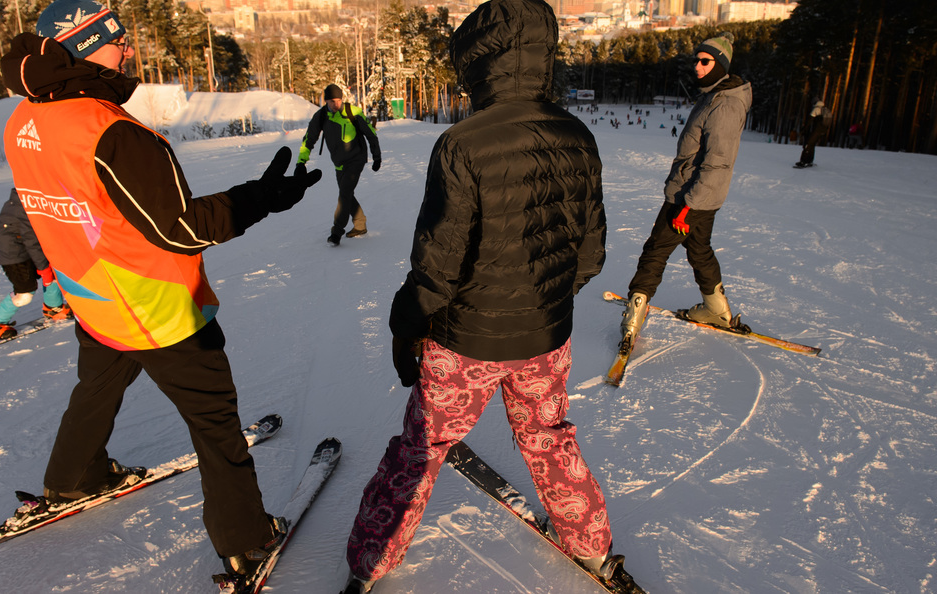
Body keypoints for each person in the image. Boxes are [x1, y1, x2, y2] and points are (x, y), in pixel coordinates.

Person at [0, 0, 321, 586]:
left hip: (93, 296)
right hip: (157, 306)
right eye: (113, 39)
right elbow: (184, 229)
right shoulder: (111, 130)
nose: (126, 50)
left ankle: (75, 476)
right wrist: (263, 197)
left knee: (96, 387)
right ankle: (246, 540)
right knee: (215, 421)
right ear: (78, 47)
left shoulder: (21, 121)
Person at [342, 0, 616, 591]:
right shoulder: (578, 135)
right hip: (546, 339)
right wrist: (542, 301)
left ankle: (372, 559)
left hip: (464, 344)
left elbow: (436, 267)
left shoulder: (463, 143)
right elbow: (590, 255)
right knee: (547, 438)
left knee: (422, 447)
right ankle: (591, 544)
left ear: (476, 64)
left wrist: (405, 323)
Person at [621, 32, 752, 342]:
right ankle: (716, 310)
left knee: (656, 251)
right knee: (699, 249)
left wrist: (687, 205)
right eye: (696, 60)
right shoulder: (714, 95)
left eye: (705, 61)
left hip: (692, 195)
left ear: (720, 64)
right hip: (700, 195)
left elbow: (717, 162)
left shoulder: (725, 105)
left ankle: (632, 322)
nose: (697, 66)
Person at [297, 84, 381, 246]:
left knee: (344, 194)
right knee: (346, 193)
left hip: (356, 159)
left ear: (341, 99)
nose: (335, 104)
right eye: (331, 101)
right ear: (326, 101)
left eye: (337, 101)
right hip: (339, 162)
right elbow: (309, 139)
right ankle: (360, 223)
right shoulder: (321, 116)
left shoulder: (353, 112)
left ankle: (336, 232)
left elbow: (371, 134)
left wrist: (376, 157)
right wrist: (301, 162)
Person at [0, 188, 72, 340]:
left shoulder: (35, 191)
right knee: (25, 292)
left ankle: (53, 308)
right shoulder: (27, 200)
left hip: (25, 243)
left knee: (55, 267)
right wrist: (43, 269)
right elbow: (32, 240)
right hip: (13, 251)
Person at [795, 97, 832, 168]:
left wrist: (803, 129)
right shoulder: (825, 109)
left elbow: (809, 121)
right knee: (812, 145)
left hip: (816, 130)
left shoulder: (817, 109)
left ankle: (803, 161)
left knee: (808, 145)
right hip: (823, 131)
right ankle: (809, 161)